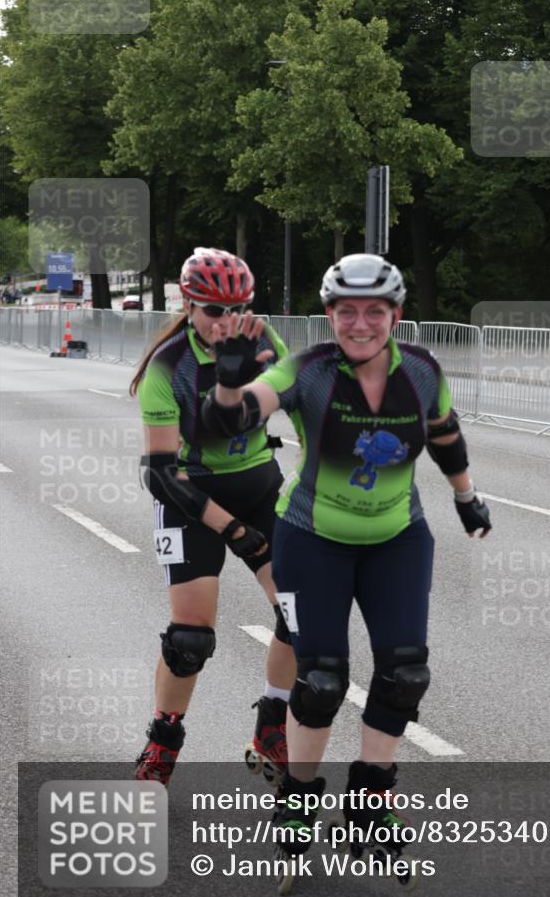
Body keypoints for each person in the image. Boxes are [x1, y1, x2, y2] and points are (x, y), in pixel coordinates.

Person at [202, 253, 492, 862]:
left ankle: (369, 802)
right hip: (312, 538)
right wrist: (228, 384)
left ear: (396, 315)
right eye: (347, 311)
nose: (360, 324)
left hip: (397, 538)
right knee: (321, 681)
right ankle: (299, 797)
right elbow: (235, 415)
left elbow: (444, 433)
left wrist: (466, 497)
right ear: (329, 315)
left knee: (406, 674)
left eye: (374, 311)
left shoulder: (422, 370)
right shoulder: (307, 370)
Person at [129, 247, 296, 785]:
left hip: (258, 487)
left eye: (238, 308)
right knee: (190, 640)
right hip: (191, 499)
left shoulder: (265, 342)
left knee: (301, 614)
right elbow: (161, 474)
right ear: (188, 305)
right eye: (214, 311)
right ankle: (163, 743)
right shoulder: (167, 367)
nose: (227, 321)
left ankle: (271, 725)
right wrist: (232, 529)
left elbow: (303, 408)